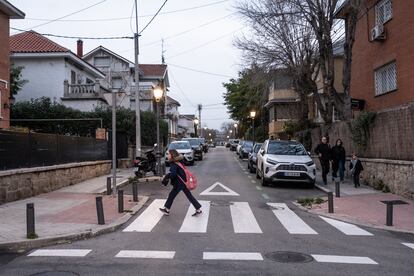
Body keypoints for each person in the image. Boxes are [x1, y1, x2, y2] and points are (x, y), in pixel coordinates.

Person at [159, 149, 202, 216]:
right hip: (183, 181)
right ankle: (198, 209)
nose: (168, 155)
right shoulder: (179, 161)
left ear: (172, 155)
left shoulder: (174, 163)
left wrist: (167, 176)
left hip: (179, 183)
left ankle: (167, 209)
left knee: (172, 195)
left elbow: (173, 174)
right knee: (188, 195)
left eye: (169, 154)